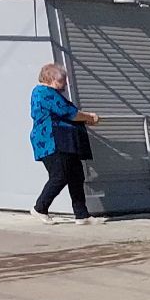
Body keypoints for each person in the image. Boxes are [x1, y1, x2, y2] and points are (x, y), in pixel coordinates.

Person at [28, 64, 100, 225]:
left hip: (65, 142)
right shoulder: (44, 93)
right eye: (62, 80)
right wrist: (89, 117)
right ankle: (40, 208)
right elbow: (70, 113)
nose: (65, 84)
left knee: (76, 175)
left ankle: (82, 215)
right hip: (53, 142)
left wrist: (85, 119)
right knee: (60, 175)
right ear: (51, 79)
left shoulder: (51, 93)